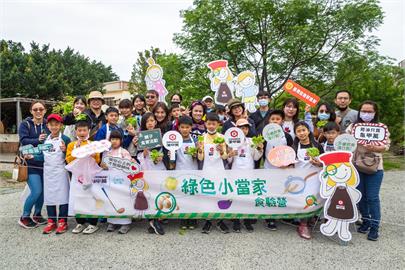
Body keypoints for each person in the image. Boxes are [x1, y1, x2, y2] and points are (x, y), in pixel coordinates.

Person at [347, 101, 390, 241]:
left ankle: (375, 227)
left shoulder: (381, 128)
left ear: (375, 113)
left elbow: (386, 146)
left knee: (372, 197)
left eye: (369, 111)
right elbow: (345, 141)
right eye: (363, 111)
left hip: (375, 167)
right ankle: (365, 222)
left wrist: (376, 148)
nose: (366, 114)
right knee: (360, 196)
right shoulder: (353, 127)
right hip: (356, 166)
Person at [66, 118, 101, 234]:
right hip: (77, 177)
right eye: (79, 130)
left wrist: (93, 155)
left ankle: (93, 223)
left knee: (90, 197)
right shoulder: (71, 145)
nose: (82, 133)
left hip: (90, 176)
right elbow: (68, 159)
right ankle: (80, 222)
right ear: (75, 131)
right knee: (78, 197)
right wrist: (77, 151)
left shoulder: (93, 145)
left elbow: (98, 160)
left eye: (84, 130)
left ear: (88, 131)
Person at [227, 118, 263, 233]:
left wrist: (259, 149)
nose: (244, 130)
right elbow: (228, 160)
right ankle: (236, 221)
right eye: (241, 128)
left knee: (248, 197)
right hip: (235, 172)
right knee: (236, 197)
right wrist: (230, 154)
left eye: (246, 128)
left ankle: (247, 220)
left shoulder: (252, 141)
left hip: (249, 173)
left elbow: (256, 157)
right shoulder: (231, 142)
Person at [134, 112, 167, 235]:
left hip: (159, 166)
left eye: (152, 120)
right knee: (148, 192)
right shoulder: (140, 136)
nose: (150, 123)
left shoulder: (161, 135)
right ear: (144, 123)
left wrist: (161, 157)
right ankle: (153, 220)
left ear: (156, 122)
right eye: (147, 121)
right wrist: (144, 152)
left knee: (160, 191)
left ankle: (157, 219)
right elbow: (138, 155)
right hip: (147, 166)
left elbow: (165, 150)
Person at [18, 101, 49, 228]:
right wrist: (38, 140)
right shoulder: (25, 124)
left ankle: (37, 214)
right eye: (35, 109)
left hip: (45, 162)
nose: (38, 111)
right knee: (36, 191)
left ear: (45, 110)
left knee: (42, 193)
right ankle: (24, 217)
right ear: (31, 111)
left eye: (41, 109)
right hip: (30, 163)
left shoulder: (48, 124)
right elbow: (23, 140)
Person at [197, 113, 229, 234]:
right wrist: (200, 150)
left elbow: (225, 156)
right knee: (207, 194)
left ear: (218, 124)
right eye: (209, 123)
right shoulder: (202, 137)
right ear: (205, 124)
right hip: (207, 169)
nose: (211, 126)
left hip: (219, 169)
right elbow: (200, 158)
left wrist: (221, 151)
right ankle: (208, 221)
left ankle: (220, 220)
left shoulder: (222, 137)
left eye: (213, 124)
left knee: (220, 194)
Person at [262, 109, 293, 230]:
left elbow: (291, 151)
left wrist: (289, 165)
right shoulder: (264, 135)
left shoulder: (287, 136)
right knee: (270, 192)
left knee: (282, 192)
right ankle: (270, 218)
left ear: (282, 121)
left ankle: (282, 215)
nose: (275, 121)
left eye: (278, 119)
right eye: (272, 119)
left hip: (283, 170)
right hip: (268, 168)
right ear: (269, 120)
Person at [292, 121, 324, 240]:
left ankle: (311, 219)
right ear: (295, 134)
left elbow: (324, 162)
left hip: (315, 177)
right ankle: (303, 225)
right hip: (301, 179)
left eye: (303, 130)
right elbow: (291, 163)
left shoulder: (317, 146)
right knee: (304, 201)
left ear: (308, 131)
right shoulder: (294, 148)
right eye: (298, 131)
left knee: (314, 199)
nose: (302, 133)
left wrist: (319, 163)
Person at [42, 114, 71, 234]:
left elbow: (70, 157)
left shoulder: (65, 139)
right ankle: (51, 221)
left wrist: (65, 151)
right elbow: (41, 155)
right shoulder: (44, 139)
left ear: (61, 125)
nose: (54, 127)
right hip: (48, 172)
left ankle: (63, 221)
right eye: (51, 124)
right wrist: (31, 156)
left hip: (61, 171)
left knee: (63, 195)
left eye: (56, 124)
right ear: (48, 126)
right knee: (49, 196)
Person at [100, 130, 133, 234]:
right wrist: (103, 166)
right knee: (112, 200)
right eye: (112, 139)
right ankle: (112, 222)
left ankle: (125, 223)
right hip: (111, 182)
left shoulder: (124, 152)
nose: (114, 141)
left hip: (123, 182)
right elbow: (103, 166)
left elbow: (129, 165)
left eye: (117, 139)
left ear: (121, 140)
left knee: (123, 201)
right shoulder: (107, 153)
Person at [170, 116, 198, 230]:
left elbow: (200, 157)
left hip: (193, 171)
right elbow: (172, 160)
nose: (185, 129)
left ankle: (193, 218)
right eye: (182, 127)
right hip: (180, 171)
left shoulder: (195, 141)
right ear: (178, 128)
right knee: (181, 196)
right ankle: (183, 218)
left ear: (191, 128)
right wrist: (172, 154)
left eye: (187, 127)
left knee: (193, 195)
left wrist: (196, 154)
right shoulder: (174, 141)